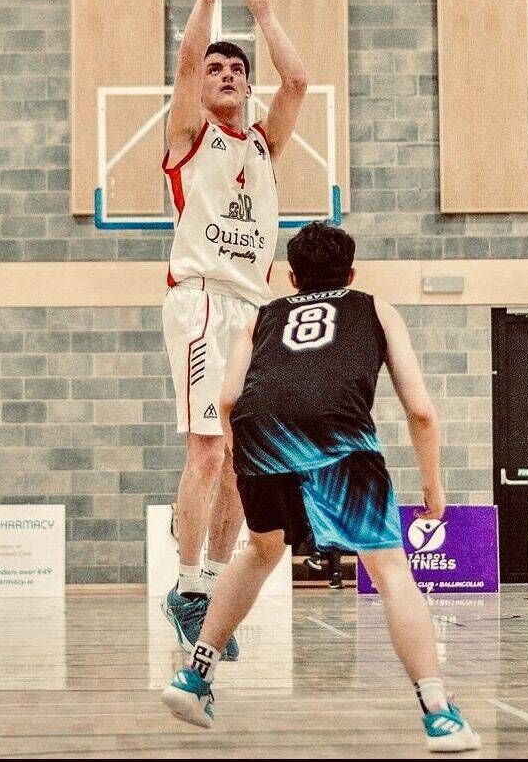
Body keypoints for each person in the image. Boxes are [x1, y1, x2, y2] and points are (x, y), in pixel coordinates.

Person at [161, 222, 481, 752]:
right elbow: (420, 411)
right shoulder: (375, 308)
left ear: (291, 276)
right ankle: (439, 714)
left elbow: (227, 401)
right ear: (352, 274)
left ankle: (195, 677)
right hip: (338, 436)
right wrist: (433, 488)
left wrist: (245, 465)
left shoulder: (263, 316)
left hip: (261, 433)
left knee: (261, 550)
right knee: (389, 567)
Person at [160, 0, 308, 659]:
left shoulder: (263, 143)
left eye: (236, 68)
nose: (225, 74)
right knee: (208, 451)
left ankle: (214, 583)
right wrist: (207, 6)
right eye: (218, 68)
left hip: (254, 311)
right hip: (202, 302)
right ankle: (187, 585)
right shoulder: (190, 136)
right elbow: (188, 61)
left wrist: (263, 12)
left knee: (245, 459)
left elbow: (300, 80)